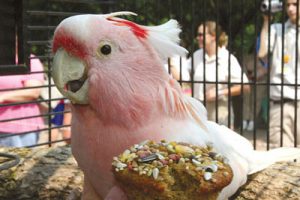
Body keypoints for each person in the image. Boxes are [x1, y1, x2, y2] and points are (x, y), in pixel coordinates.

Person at [185, 21, 249, 129]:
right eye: (198, 35)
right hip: (199, 111)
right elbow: (183, 77)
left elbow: (245, 87)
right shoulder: (197, 55)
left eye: (201, 35)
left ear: (213, 36)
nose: (197, 38)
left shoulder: (227, 58)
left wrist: (219, 92)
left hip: (220, 110)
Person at [258, 0, 300, 147]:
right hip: (280, 103)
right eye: (287, 5)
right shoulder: (277, 29)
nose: (291, 8)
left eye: (295, 4)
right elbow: (262, 53)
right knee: (283, 162)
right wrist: (266, 21)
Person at [0, 54, 45, 147]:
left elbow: (33, 91)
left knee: (19, 160)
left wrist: (3, 97)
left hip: (21, 130)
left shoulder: (29, 60)